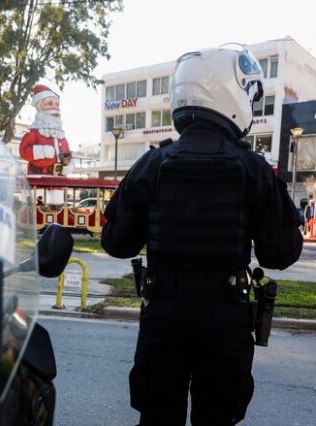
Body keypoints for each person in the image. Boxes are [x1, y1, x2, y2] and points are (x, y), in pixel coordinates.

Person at [101, 45, 303, 425]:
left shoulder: (152, 163)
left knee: (158, 417)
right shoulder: (253, 168)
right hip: (225, 317)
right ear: (231, 92)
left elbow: (115, 243)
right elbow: (281, 253)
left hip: (163, 313)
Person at [19, 84, 72, 176]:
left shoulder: (62, 137)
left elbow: (68, 155)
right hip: (38, 178)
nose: (54, 107)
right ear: (39, 107)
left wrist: (70, 166)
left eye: (57, 104)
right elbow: (23, 152)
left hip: (58, 180)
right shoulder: (33, 134)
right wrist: (41, 151)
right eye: (49, 103)